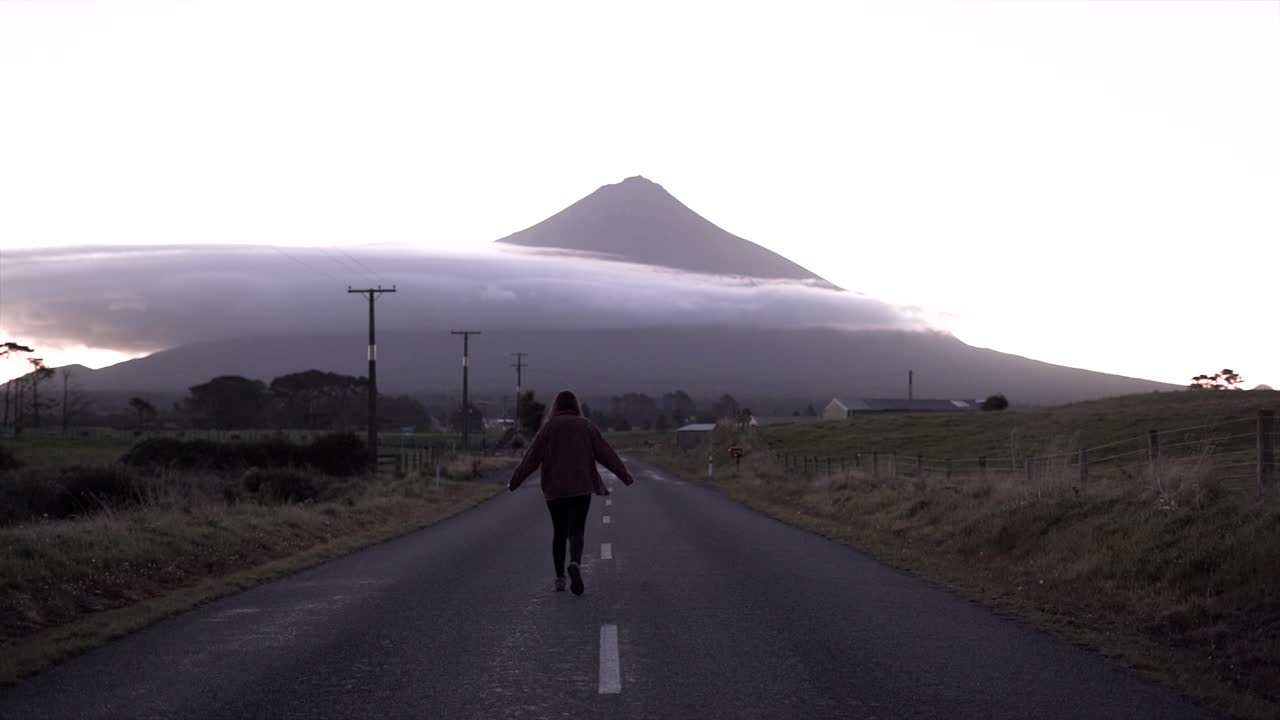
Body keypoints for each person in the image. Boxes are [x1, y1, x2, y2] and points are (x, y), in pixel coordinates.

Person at [508, 390, 634, 595]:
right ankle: (574, 562)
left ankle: (559, 579)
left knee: (559, 531)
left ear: (555, 406)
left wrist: (515, 481)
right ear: (576, 406)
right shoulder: (586, 426)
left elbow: (531, 458)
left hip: (554, 488)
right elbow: (606, 452)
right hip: (580, 486)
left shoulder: (548, 428)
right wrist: (624, 475)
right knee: (577, 531)